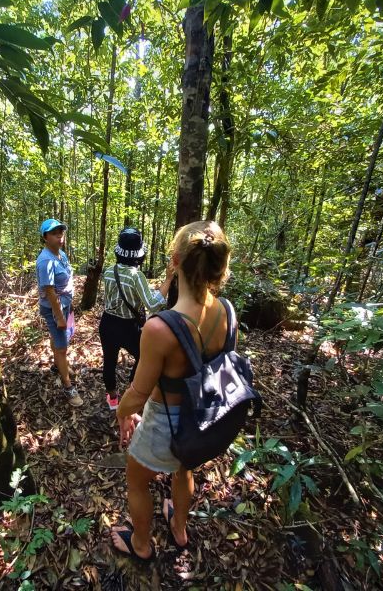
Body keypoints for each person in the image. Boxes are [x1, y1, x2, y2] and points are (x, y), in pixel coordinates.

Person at [110, 220, 232, 561]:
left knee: (136, 480)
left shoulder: (160, 327)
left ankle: (142, 545)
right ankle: (179, 529)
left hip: (165, 422)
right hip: (202, 419)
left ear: (175, 262)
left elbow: (137, 394)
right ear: (218, 266)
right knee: (184, 469)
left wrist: (122, 412)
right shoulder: (225, 312)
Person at [99, 227, 174, 410]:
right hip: (128, 326)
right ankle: (132, 392)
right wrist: (169, 279)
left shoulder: (109, 271)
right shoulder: (136, 275)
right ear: (138, 255)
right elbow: (152, 304)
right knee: (143, 357)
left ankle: (113, 399)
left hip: (107, 323)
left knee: (109, 361)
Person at [36, 218, 83, 407]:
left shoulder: (60, 254)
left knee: (61, 340)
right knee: (62, 346)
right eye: (54, 233)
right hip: (54, 309)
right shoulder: (45, 261)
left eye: (60, 233)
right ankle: (68, 387)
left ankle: (58, 363)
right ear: (45, 237)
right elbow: (49, 292)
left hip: (64, 305)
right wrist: (60, 317)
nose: (59, 236)